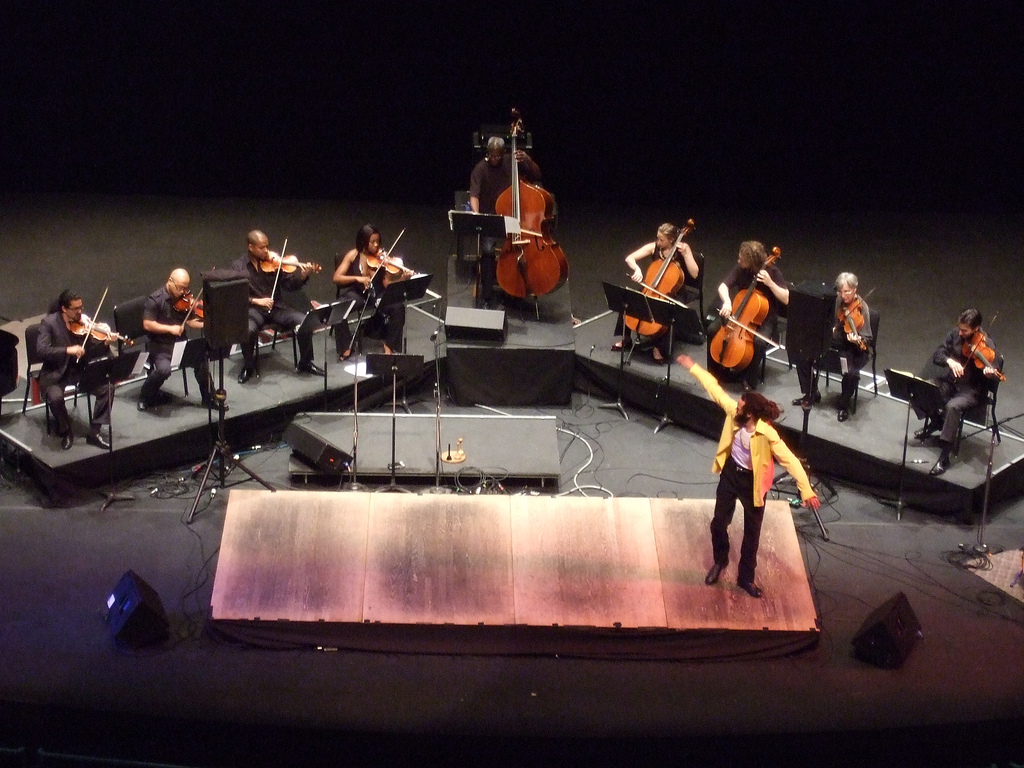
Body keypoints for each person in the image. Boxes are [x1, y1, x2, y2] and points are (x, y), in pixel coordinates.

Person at [675, 354, 820, 598]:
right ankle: (721, 560)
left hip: (752, 483)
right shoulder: (734, 413)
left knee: (752, 535)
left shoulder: (768, 435)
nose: (736, 406)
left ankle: (745, 579)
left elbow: (791, 461)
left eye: (741, 406)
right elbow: (714, 389)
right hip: (731, 474)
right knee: (718, 522)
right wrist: (693, 367)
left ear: (750, 414)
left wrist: (806, 490)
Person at [914, 308, 1003, 476]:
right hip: (951, 382)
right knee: (920, 388)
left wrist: (989, 373)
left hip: (971, 390)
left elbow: (995, 374)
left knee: (953, 407)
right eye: (960, 328)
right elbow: (938, 354)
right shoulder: (956, 334)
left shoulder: (987, 344)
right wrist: (949, 361)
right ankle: (937, 422)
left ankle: (944, 456)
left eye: (965, 330)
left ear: (976, 328)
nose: (961, 333)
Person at [229, 230, 325, 384]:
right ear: (251, 247)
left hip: (276, 308)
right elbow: (235, 295)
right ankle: (248, 366)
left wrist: (303, 276)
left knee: (303, 321)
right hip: (253, 310)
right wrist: (256, 301)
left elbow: (290, 286)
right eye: (262, 247)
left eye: (267, 246)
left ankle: (305, 362)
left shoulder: (275, 262)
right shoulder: (238, 267)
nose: (266, 251)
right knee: (248, 330)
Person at [36, 289, 115, 450]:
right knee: (55, 398)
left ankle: (95, 432)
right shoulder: (49, 323)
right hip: (56, 373)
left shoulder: (82, 324)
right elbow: (41, 350)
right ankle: (66, 430)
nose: (80, 312)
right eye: (75, 309)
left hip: (80, 371)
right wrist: (67, 350)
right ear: (64, 309)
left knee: (107, 388)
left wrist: (105, 344)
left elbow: (90, 351)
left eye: (81, 307)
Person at [468, 135, 541, 307]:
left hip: (513, 217)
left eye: (498, 156)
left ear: (503, 153)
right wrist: (477, 214)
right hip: (492, 218)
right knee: (487, 249)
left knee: (520, 249)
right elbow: (474, 196)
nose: (494, 159)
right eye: (492, 156)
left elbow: (536, 174)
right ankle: (487, 296)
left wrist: (528, 160)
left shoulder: (511, 161)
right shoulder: (480, 169)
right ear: (487, 153)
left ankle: (517, 291)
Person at [613, 222, 701, 363]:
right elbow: (629, 258)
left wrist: (686, 255)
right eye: (657, 238)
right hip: (652, 286)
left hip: (674, 290)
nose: (658, 242)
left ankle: (658, 348)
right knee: (629, 299)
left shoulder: (683, 249)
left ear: (671, 239)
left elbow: (695, 273)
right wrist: (637, 269)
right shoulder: (654, 247)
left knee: (666, 311)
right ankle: (627, 337)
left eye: (662, 240)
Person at [707, 240, 789, 391]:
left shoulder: (773, 272)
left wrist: (770, 283)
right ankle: (714, 372)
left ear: (752, 261)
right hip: (739, 312)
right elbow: (723, 286)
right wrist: (727, 302)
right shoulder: (741, 269)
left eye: (742, 259)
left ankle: (749, 380)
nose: (738, 261)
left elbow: (786, 298)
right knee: (712, 329)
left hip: (764, 318)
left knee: (758, 342)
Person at [793, 272, 872, 422]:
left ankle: (843, 405)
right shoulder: (835, 301)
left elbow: (867, 338)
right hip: (831, 342)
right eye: (841, 292)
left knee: (850, 373)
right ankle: (811, 393)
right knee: (801, 354)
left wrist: (857, 339)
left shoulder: (863, 308)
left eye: (847, 292)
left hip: (851, 348)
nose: (843, 296)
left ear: (855, 289)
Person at [138, 269, 215, 411]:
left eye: (186, 288)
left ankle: (208, 397)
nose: (183, 292)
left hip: (180, 343)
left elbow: (191, 322)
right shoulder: (155, 300)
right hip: (160, 345)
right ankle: (145, 396)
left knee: (202, 361)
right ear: (170, 281)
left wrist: (209, 324)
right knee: (163, 370)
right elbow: (147, 324)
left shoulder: (184, 300)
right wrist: (170, 329)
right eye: (180, 288)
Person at [331, 224, 409, 359]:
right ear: (363, 241)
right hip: (359, 293)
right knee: (338, 307)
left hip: (378, 293)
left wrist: (402, 278)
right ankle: (345, 347)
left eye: (378, 241)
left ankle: (389, 345)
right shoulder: (353, 255)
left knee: (398, 308)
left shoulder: (382, 258)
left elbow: (388, 285)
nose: (376, 245)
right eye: (372, 242)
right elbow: (336, 278)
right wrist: (357, 278)